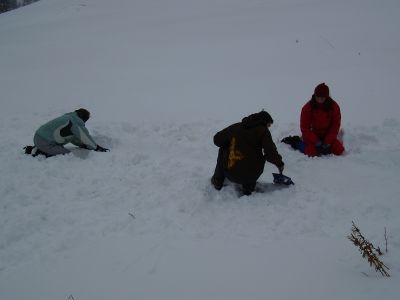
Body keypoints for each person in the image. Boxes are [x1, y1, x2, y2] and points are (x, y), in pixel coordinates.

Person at [211, 111, 284, 195]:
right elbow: (271, 153)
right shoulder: (263, 131)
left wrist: (230, 144)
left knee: (223, 148)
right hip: (252, 176)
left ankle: (218, 180)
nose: (268, 128)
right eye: (268, 125)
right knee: (254, 157)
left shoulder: (235, 127)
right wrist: (279, 163)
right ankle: (248, 188)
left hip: (231, 173)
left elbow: (217, 140)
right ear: (263, 122)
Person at [282, 83, 345, 157]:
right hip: (313, 135)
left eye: (323, 97)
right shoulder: (307, 108)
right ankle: (296, 142)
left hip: (327, 135)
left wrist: (327, 142)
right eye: (318, 96)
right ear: (315, 95)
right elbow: (305, 128)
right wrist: (317, 142)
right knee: (312, 152)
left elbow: (335, 126)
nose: (320, 99)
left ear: (327, 97)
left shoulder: (334, 107)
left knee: (339, 150)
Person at [24, 108, 109, 157]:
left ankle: (36, 148)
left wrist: (82, 145)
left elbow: (73, 138)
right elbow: (85, 137)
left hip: (38, 137)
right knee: (66, 154)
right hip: (45, 142)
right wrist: (96, 148)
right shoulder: (76, 123)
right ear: (83, 118)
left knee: (62, 149)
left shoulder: (68, 118)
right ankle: (37, 152)